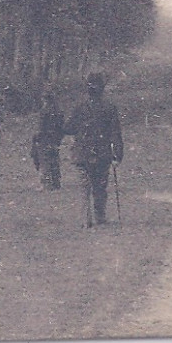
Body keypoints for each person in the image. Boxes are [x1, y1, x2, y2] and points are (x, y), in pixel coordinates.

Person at [64, 72, 124, 227]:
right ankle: (100, 217)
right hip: (102, 154)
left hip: (81, 153)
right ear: (102, 89)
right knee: (100, 187)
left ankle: (85, 220)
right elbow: (115, 133)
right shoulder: (110, 108)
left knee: (84, 188)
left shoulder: (79, 107)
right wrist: (117, 156)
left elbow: (68, 128)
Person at [32, 92, 65, 189]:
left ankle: (46, 184)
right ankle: (56, 182)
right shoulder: (59, 112)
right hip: (55, 139)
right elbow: (61, 127)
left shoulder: (44, 111)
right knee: (54, 160)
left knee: (44, 160)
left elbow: (41, 127)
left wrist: (36, 137)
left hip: (44, 139)